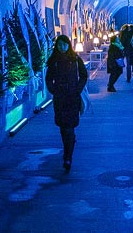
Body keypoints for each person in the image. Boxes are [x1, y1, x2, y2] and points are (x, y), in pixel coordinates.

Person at [45, 35, 88, 173]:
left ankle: (68, 157)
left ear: (68, 45)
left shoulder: (75, 59)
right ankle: (68, 149)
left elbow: (84, 75)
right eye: (60, 45)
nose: (62, 47)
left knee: (69, 127)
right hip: (60, 98)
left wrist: (78, 89)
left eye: (64, 45)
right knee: (63, 128)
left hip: (72, 97)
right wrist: (53, 90)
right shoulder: (53, 61)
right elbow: (48, 78)